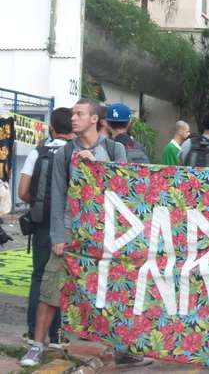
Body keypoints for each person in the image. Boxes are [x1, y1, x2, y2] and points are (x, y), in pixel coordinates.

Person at [21, 99, 150, 368]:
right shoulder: (64, 154)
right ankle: (37, 345)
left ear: (94, 119)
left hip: (105, 233)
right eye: (72, 114)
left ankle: (120, 348)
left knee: (114, 291)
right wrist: (58, 237)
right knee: (51, 288)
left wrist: (98, 165)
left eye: (79, 114)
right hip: (71, 231)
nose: (73, 118)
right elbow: (58, 197)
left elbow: (123, 190)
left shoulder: (114, 150)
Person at [17, 108, 74, 349]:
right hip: (69, 225)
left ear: (51, 128)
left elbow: (22, 191)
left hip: (42, 224)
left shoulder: (38, 152)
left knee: (39, 276)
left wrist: (37, 204)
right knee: (63, 278)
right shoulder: (75, 153)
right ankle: (58, 334)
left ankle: (33, 332)